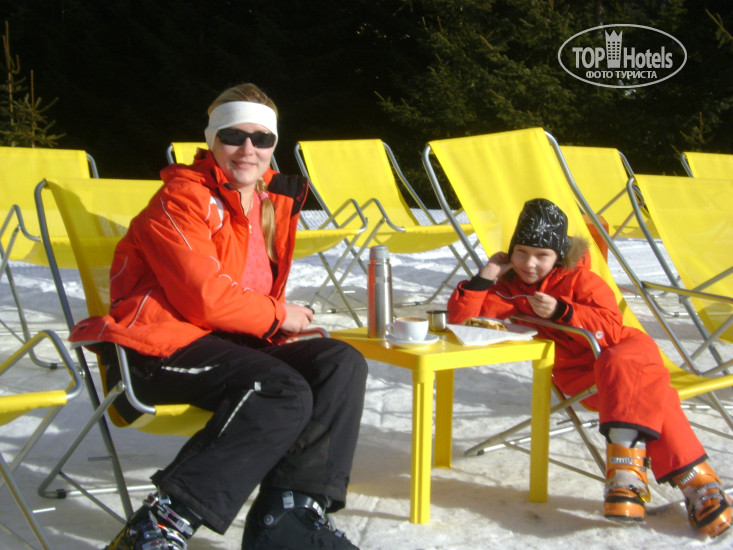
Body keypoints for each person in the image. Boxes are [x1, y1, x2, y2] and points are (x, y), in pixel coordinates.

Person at [70, 83, 368, 550]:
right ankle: (157, 527)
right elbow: (204, 299)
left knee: (339, 363)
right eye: (233, 135)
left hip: (227, 348)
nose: (249, 149)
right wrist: (277, 316)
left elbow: (248, 294)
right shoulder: (181, 201)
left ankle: (289, 518)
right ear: (212, 140)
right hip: (154, 351)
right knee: (279, 389)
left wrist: (273, 327)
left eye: (262, 138)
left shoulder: (271, 202)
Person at [446, 198, 732, 539]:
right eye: (521, 253)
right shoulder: (510, 292)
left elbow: (612, 328)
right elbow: (462, 321)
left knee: (621, 359)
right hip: (587, 379)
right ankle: (698, 482)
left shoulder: (582, 281)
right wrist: (487, 274)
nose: (529, 264)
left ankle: (626, 476)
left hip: (625, 353)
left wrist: (563, 312)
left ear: (558, 255)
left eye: (541, 255)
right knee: (653, 392)